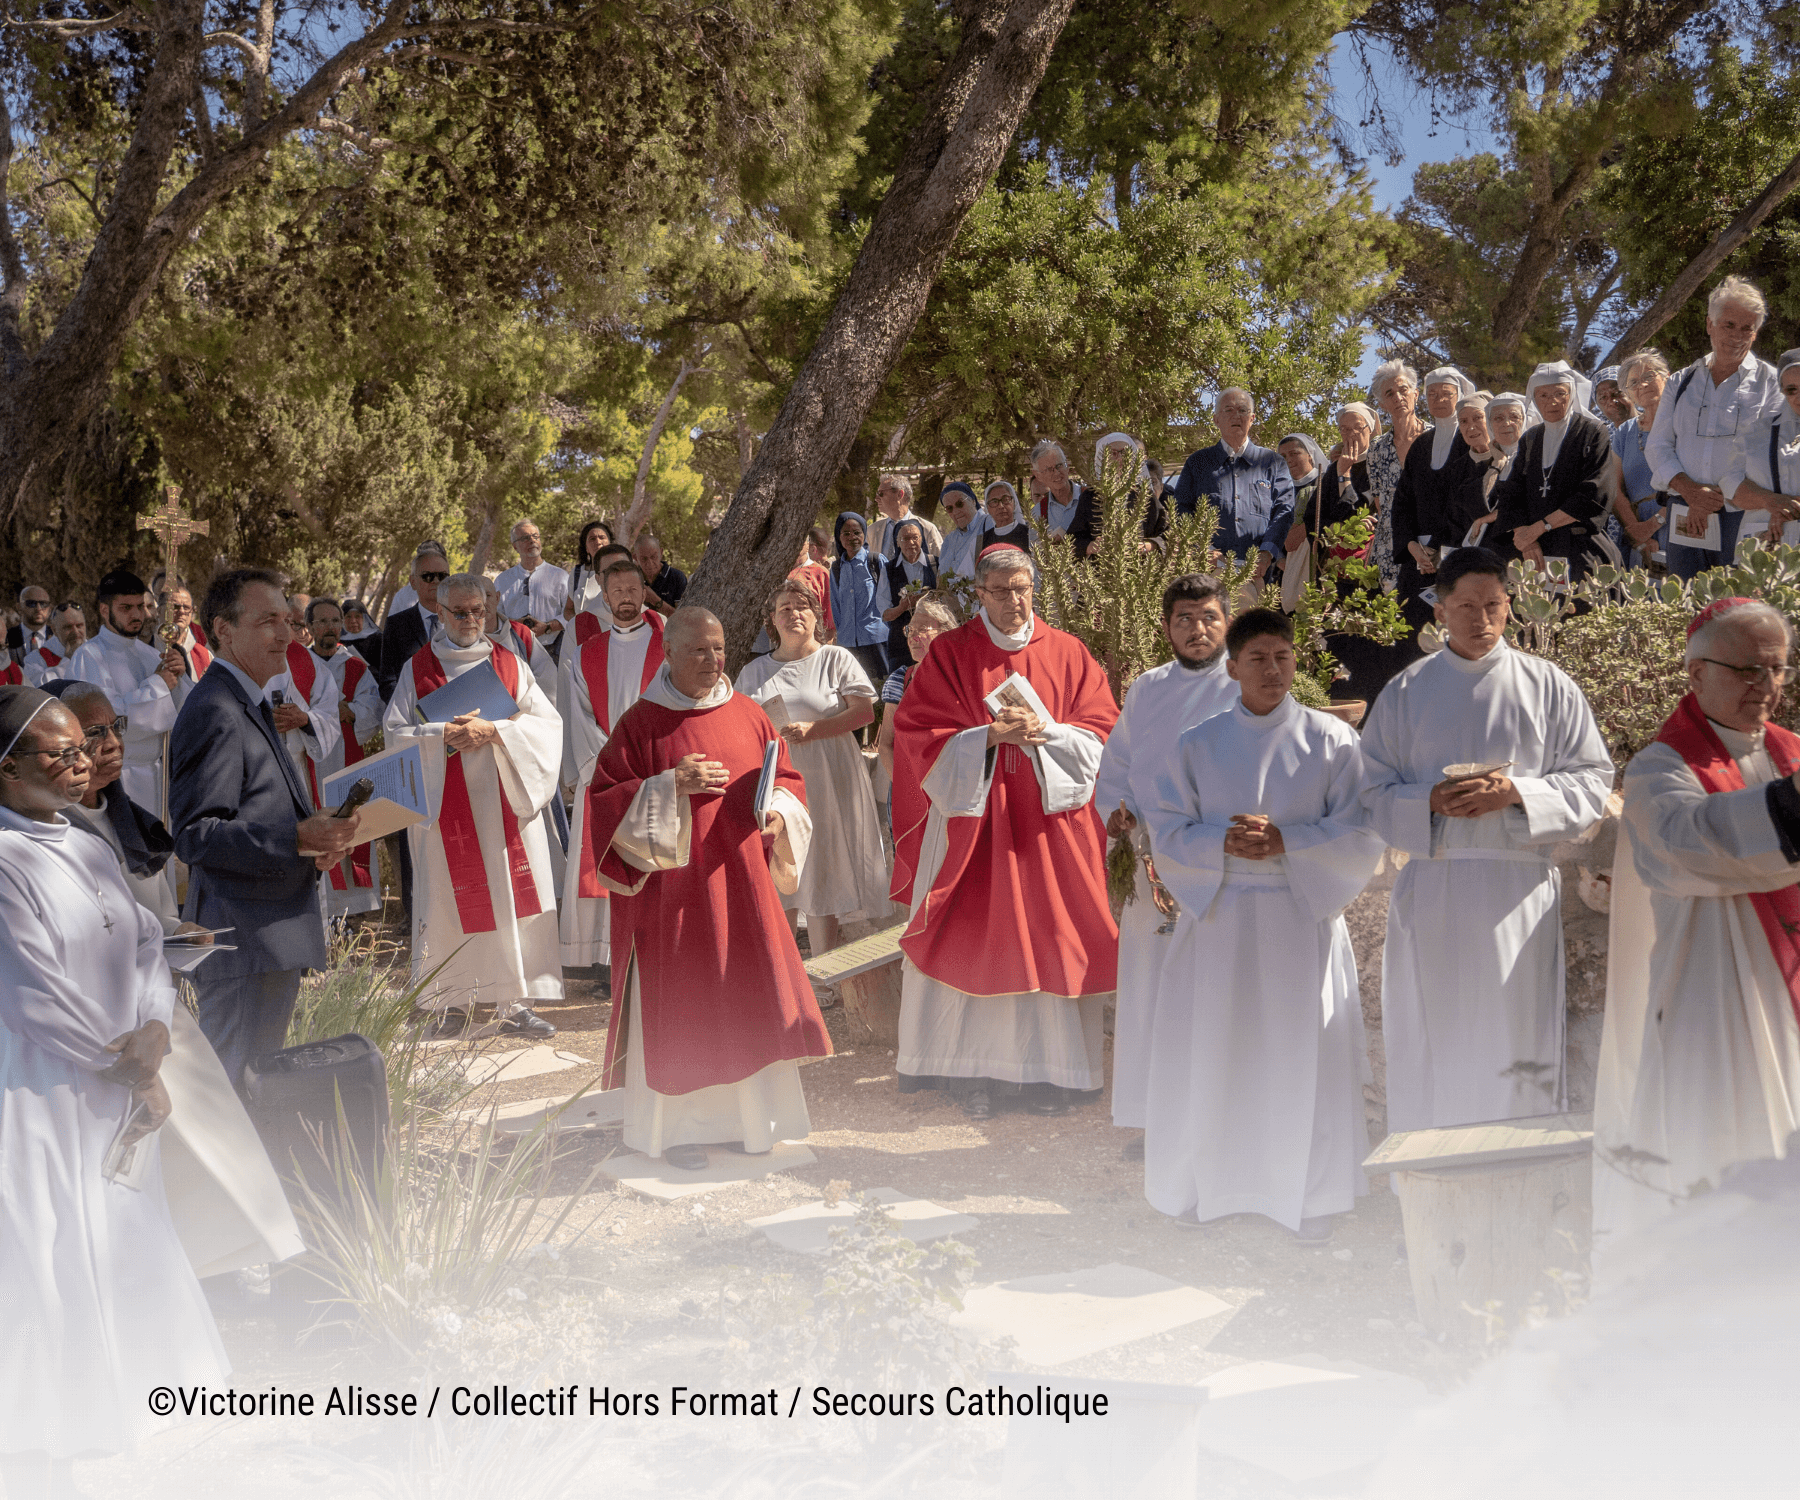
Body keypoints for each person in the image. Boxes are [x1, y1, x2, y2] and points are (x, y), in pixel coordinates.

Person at [0, 686, 229, 1490]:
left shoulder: (89, 843)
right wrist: (126, 1061)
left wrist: (157, 1029)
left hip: (122, 1076)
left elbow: (140, 946)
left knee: (123, 1228)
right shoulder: (3, 861)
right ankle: (56, 1423)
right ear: (6, 768)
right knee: (52, 1242)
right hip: (41, 1090)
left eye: (83, 748)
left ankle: (145, 1396)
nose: (79, 764)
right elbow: (30, 993)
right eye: (57, 754)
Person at [1144, 609, 1383, 1239]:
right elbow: (1165, 826)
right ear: (1232, 669)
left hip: (1297, 917)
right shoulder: (1200, 742)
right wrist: (1218, 844)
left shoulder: (1332, 742)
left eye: (1282, 656)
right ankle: (1211, 1185)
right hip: (1219, 919)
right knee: (1217, 1052)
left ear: (1295, 662)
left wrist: (1289, 843)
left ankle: (1310, 1193)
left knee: (1300, 1054)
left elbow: (1362, 829)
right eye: (1258, 659)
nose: (1272, 670)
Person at [1359, 547, 1613, 1131]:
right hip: (1437, 886)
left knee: (1513, 1032)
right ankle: (1435, 1177)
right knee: (1437, 1029)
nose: (1481, 620)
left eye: (1493, 605)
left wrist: (1519, 793)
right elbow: (1367, 789)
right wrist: (1427, 799)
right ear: (1441, 610)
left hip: (1517, 888)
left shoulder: (1547, 685)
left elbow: (1594, 780)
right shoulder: (1406, 690)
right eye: (1466, 606)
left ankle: (1515, 1176)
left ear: (1509, 605)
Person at [584, 607, 830, 1169]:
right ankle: (681, 1133)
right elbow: (604, 806)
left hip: (741, 883)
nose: (712, 661)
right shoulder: (640, 724)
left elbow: (787, 780)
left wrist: (780, 817)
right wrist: (669, 785)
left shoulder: (748, 712)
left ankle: (751, 1125)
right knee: (688, 1004)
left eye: (719, 649)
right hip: (675, 898)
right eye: (698, 650)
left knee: (743, 996)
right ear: (667, 652)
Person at [1593, 598, 1800, 1254]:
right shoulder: (1660, 770)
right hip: (1715, 1001)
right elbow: (1694, 845)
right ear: (1695, 674)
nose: (1764, 687)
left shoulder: (1792, 755)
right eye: (1746, 670)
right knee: (1720, 1155)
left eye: (1777, 670)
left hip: (1790, 994)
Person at [890, 545, 1119, 1119]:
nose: (1014, 601)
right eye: (1001, 590)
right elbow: (917, 734)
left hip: (1047, 829)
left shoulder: (1069, 652)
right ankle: (972, 1073)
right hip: (977, 828)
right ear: (980, 594)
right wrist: (985, 738)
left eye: (1023, 589)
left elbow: (1103, 734)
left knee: (1049, 938)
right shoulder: (950, 653)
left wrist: (1046, 731)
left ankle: (1054, 1074)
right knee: (978, 940)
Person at [169, 570, 364, 1089]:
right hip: (241, 939)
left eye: (287, 620)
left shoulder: (251, 699)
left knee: (257, 1093)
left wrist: (314, 839)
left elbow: (259, 808)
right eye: (266, 621)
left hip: (266, 933)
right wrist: (297, 839)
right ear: (224, 630)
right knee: (232, 1095)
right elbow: (195, 834)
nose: (285, 634)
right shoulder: (215, 708)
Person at [383, 573, 564, 1039]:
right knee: (449, 902)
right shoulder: (417, 669)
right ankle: (452, 1003)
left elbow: (547, 726)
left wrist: (497, 732)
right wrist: (441, 734)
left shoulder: (510, 664)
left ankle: (514, 1003)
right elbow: (395, 734)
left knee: (510, 898)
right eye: (459, 612)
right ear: (439, 613)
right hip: (448, 810)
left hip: (504, 804)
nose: (470, 620)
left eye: (478, 610)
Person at [1094, 575, 1238, 1161]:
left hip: (1219, 860)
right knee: (1155, 990)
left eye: (1208, 617)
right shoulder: (1146, 690)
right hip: (1152, 862)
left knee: (1214, 989)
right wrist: (1119, 815)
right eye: (1184, 618)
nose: (1197, 629)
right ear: (1165, 627)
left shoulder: (1247, 684)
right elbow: (1118, 765)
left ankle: (1223, 1120)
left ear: (1226, 621)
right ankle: (1158, 1121)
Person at [736, 579, 890, 955]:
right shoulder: (754, 671)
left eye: (802, 607)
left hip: (826, 777)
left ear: (816, 615)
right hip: (775, 784)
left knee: (822, 868)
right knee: (782, 869)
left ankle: (823, 974)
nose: (794, 614)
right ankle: (788, 976)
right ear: (771, 620)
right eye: (784, 608)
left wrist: (814, 729)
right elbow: (738, 725)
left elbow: (864, 712)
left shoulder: (834, 659)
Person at [562, 559, 665, 971]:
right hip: (607, 772)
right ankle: (606, 957)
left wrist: (645, 757)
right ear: (605, 598)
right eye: (617, 591)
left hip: (654, 770)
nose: (625, 597)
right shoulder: (587, 653)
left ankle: (652, 948)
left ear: (644, 592)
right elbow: (580, 716)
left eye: (632, 589)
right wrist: (612, 761)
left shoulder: (668, 643)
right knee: (603, 857)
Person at [1647, 274, 1781, 580]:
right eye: (1728, 325)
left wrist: (1710, 498)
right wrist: (1691, 492)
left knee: (1739, 608)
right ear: (1710, 325)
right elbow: (1658, 446)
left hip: (1743, 516)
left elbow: (1770, 455)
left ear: (1755, 334)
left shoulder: (1771, 383)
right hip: (1685, 512)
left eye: (1747, 328)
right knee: (1687, 607)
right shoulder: (1680, 383)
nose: (1737, 335)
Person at [44, 678, 188, 934]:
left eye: (116, 727)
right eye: (95, 733)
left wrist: (179, 934)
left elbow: (160, 915)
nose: (114, 743)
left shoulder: (132, 823)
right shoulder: (45, 831)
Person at [67, 568, 188, 822]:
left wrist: (179, 678)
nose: (137, 615)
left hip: (158, 775)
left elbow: (182, 714)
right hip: (118, 779)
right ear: (104, 610)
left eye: (140, 606)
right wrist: (159, 685)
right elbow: (110, 724)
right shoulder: (88, 656)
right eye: (126, 608)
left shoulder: (151, 654)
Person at [298, 599, 384, 921]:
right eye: (322, 622)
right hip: (309, 761)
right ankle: (315, 910)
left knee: (350, 827)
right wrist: (338, 712)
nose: (331, 628)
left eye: (336, 621)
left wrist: (348, 712)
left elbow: (372, 711)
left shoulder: (356, 667)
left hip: (346, 759)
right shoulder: (296, 666)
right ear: (309, 627)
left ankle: (352, 915)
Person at [1491, 362, 1614, 581]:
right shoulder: (1530, 438)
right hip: (1536, 552)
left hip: (1580, 549)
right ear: (1534, 399)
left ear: (1572, 393)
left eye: (1560, 393)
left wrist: (1539, 527)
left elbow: (1594, 492)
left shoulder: (1593, 431)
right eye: (1544, 395)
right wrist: (1524, 536)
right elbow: (1511, 493)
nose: (1553, 401)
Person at [1390, 366, 1485, 628]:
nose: (1439, 399)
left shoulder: (1470, 442)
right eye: (1432, 394)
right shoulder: (1420, 445)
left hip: (1456, 553)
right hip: (1417, 559)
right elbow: (1403, 502)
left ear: (1460, 395)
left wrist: (1439, 549)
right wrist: (1410, 544)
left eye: (1446, 393)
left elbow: (1472, 504)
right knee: (1412, 631)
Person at [1173, 388, 1295, 590]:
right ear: (1216, 420)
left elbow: (1284, 510)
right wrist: (1203, 548)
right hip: (1208, 571)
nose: (1236, 415)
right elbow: (1181, 509)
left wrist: (1267, 553)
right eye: (1228, 410)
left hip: (1259, 572)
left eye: (1243, 410)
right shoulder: (1198, 462)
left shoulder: (1272, 462)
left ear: (1252, 418)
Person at [876, 594, 959, 789]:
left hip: (953, 786)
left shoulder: (961, 679)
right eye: (910, 630)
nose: (913, 637)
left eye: (922, 629)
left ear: (945, 632)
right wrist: (907, 788)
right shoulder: (900, 679)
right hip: (910, 787)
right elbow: (886, 744)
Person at [1723, 345, 1800, 549]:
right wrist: (1769, 501)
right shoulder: (1756, 432)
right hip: (1762, 547)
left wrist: (1789, 510)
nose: (1798, 397)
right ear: (1782, 389)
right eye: (1791, 389)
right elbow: (1731, 485)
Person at [1365, 361, 1428, 591]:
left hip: (1430, 542)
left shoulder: (1436, 438)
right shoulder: (1377, 448)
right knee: (1393, 620)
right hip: (1390, 548)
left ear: (1416, 394)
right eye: (1390, 393)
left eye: (1403, 390)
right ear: (1382, 404)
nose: (1398, 397)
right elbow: (1381, 505)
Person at [1612, 351, 1671, 566]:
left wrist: (1653, 524)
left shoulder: (1684, 422)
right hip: (1637, 530)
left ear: (1666, 376)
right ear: (1628, 393)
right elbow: (1614, 488)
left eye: (1649, 377)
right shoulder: (1624, 432)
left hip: (1679, 521)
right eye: (1633, 382)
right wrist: (1636, 532)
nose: (1642, 385)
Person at [377, 542, 450, 702]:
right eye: (428, 576)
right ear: (413, 581)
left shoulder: (464, 619)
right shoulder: (396, 625)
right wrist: (408, 713)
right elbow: (388, 682)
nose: (436, 581)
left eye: (442, 576)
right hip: (412, 716)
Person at [826, 511, 891, 688]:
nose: (852, 537)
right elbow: (836, 605)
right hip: (849, 644)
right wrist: (843, 634)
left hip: (877, 639)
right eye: (846, 533)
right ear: (839, 537)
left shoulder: (876, 561)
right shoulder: (837, 568)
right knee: (856, 690)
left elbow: (889, 598)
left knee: (883, 688)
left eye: (857, 532)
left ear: (864, 534)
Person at [494, 517, 569, 649]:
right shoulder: (502, 580)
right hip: (514, 649)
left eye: (535, 536)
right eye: (525, 538)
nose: (532, 540)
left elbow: (570, 614)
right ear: (515, 546)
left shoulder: (560, 576)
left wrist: (547, 627)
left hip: (553, 649)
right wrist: (515, 625)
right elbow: (495, 617)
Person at [876, 517, 939, 674]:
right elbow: (885, 614)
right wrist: (903, 607)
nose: (911, 543)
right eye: (905, 538)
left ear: (921, 539)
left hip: (931, 642)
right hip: (901, 644)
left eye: (915, 537)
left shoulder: (935, 564)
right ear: (897, 542)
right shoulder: (888, 569)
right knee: (901, 690)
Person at [868, 473, 945, 564]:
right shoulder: (872, 531)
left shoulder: (927, 529)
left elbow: (941, 566)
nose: (876, 499)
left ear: (900, 494)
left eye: (881, 493)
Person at [20, 601, 86, 686]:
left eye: (79, 625)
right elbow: (37, 688)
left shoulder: (97, 649)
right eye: (68, 627)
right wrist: (68, 661)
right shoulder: (36, 659)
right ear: (54, 630)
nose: (76, 632)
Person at [564, 520, 617, 624]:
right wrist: (577, 623)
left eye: (602, 537)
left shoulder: (620, 571)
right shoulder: (577, 573)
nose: (598, 542)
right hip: (582, 636)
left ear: (610, 543)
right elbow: (568, 610)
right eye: (592, 539)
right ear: (586, 548)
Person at [937, 480, 990, 580]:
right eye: (949, 508)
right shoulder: (949, 540)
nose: (956, 511)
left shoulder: (989, 524)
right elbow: (941, 576)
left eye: (960, 503)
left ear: (973, 501)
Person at [164, 585, 213, 683]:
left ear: (192, 611)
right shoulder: (151, 645)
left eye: (186, 607)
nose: (181, 611)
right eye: (175, 607)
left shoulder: (205, 655)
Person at [633, 533, 687, 616]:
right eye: (644, 559)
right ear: (636, 558)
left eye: (653, 557)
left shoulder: (677, 577)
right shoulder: (632, 579)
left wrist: (655, 600)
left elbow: (682, 618)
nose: (650, 563)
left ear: (661, 553)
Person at [982, 480, 1034, 554]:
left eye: (1006, 499)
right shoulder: (982, 540)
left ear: (1014, 503)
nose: (1001, 506)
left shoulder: (1030, 534)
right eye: (994, 501)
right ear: (988, 508)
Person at [7, 585, 51, 660]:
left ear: (49, 609)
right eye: (31, 603)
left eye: (43, 604)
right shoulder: (6, 638)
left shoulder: (59, 637)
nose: (39, 609)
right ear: (19, 607)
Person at [339, 597, 383, 667]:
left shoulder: (378, 639)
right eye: (348, 617)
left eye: (357, 616)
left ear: (364, 619)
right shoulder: (337, 641)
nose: (353, 621)